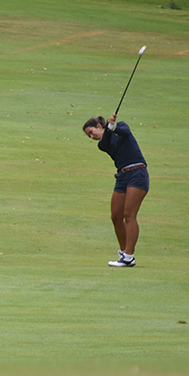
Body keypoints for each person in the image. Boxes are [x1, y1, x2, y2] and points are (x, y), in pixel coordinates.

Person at [83, 113, 149, 267]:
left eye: (92, 132)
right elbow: (106, 143)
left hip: (137, 173)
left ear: (99, 126)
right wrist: (109, 130)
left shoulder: (121, 127)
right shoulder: (102, 143)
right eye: (89, 136)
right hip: (122, 177)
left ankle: (128, 256)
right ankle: (123, 251)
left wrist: (113, 125)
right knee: (115, 216)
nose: (92, 137)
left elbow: (125, 131)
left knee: (129, 214)